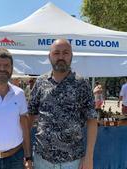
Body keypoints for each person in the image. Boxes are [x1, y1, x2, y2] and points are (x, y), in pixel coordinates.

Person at [28, 39, 98, 169]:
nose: (61, 57)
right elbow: (30, 116)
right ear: (49, 56)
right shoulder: (40, 82)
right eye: (56, 53)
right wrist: (26, 155)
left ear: (71, 56)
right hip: (41, 159)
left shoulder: (82, 84)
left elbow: (92, 121)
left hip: (72, 160)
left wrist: (89, 158)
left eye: (65, 53)